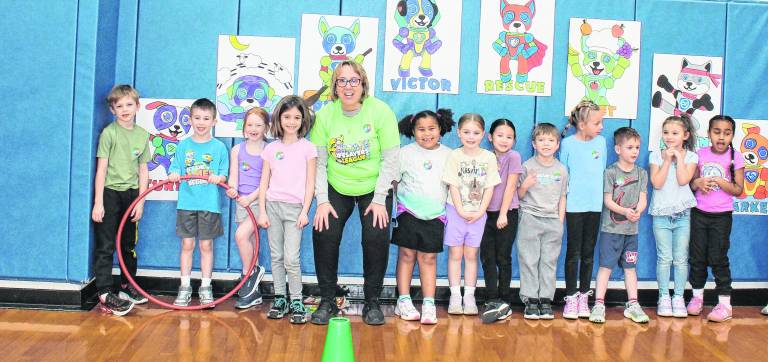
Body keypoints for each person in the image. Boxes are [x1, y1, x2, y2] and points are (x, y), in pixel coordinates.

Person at [309, 61, 400, 326]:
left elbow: (391, 159)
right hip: (338, 186)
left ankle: (372, 301)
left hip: (374, 186)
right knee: (323, 231)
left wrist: (380, 198)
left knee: (376, 235)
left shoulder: (381, 112)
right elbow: (319, 163)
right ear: (334, 87)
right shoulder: (326, 116)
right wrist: (323, 201)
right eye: (342, 81)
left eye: (354, 81)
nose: (348, 87)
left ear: (363, 85)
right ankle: (328, 300)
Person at [257, 96, 317, 324]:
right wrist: (262, 210)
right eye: (287, 117)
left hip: (295, 210)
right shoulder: (271, 149)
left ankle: (297, 300)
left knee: (292, 258)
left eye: (297, 117)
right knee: (277, 256)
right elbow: (264, 182)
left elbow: (311, 183)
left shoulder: (308, 148)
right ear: (279, 119)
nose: (291, 122)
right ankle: (280, 297)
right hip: (272, 207)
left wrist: (304, 211)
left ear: (303, 121)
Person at [392, 108, 454, 325]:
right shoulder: (405, 153)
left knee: (428, 258)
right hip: (408, 212)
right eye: (421, 129)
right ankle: (404, 300)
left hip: (436, 215)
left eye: (431, 129)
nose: (426, 134)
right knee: (407, 255)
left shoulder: (449, 154)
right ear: (412, 130)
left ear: (440, 129)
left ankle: (428, 303)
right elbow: (394, 180)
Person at [91, 84, 150, 315]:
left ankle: (127, 285)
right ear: (112, 109)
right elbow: (101, 169)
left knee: (128, 245)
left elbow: (143, 170)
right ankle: (105, 292)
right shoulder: (109, 133)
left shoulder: (142, 135)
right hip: (109, 193)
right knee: (106, 245)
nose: (124, 109)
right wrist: (98, 202)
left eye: (129, 104)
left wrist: (140, 201)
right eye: (119, 106)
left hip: (131, 195)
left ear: (137, 106)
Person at [168, 98, 229, 307]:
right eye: (197, 118)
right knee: (187, 244)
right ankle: (184, 287)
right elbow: (175, 168)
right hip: (187, 204)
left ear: (214, 121)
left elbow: (223, 174)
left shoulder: (219, 147)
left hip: (209, 205)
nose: (201, 122)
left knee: (206, 245)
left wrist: (218, 178)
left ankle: (205, 286)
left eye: (206, 118)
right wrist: (174, 174)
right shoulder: (183, 146)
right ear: (190, 119)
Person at [589, 127, 649, 324]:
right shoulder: (610, 172)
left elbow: (643, 199)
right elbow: (608, 200)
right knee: (605, 266)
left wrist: (638, 211)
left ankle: (633, 304)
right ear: (617, 149)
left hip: (632, 231)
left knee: (630, 268)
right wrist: (624, 212)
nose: (634, 151)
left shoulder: (641, 173)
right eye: (629, 147)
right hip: (611, 230)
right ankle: (599, 304)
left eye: (637, 148)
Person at [443, 113, 501, 316]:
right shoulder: (454, 156)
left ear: (483, 134)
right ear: (459, 133)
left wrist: (481, 211)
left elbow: (490, 188)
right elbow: (453, 185)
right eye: (466, 132)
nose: (471, 136)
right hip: (455, 211)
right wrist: (460, 209)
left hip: (478, 215)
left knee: (471, 255)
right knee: (455, 254)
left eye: (476, 132)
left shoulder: (489, 157)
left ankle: (469, 296)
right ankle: (455, 296)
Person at [688, 115, 744, 322]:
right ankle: (697, 298)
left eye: (727, 133)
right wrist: (698, 183)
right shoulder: (699, 154)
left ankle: (724, 304)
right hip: (699, 214)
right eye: (717, 132)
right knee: (697, 257)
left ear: (732, 135)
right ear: (709, 133)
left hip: (722, 217)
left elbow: (738, 190)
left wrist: (721, 181)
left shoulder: (735, 157)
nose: (721, 137)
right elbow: (691, 184)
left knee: (719, 258)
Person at [559, 100, 606, 320]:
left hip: (594, 206)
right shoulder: (568, 144)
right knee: (573, 252)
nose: (601, 127)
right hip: (574, 206)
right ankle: (570, 296)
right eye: (597, 123)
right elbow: (563, 175)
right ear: (582, 124)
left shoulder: (602, 142)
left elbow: (601, 173)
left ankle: (584, 296)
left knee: (588, 254)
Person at [517, 123, 568, 320]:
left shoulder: (561, 170)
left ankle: (545, 299)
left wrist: (560, 221)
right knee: (529, 260)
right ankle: (530, 299)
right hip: (530, 217)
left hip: (552, 220)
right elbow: (519, 196)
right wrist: (526, 185)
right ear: (534, 144)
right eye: (541, 140)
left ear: (557, 145)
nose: (546, 144)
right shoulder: (527, 166)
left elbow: (563, 196)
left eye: (550, 140)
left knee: (549, 261)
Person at [649, 115, 698, 318]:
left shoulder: (692, 157)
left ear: (685, 136)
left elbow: (683, 180)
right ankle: (663, 297)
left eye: (675, 133)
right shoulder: (655, 155)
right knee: (664, 258)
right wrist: (667, 160)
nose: (669, 137)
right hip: (661, 214)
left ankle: (678, 296)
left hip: (682, 214)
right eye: (666, 132)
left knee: (680, 259)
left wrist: (679, 158)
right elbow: (657, 183)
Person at [225, 108, 268, 309]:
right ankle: (254, 293)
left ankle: (249, 272)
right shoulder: (237, 150)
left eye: (258, 125)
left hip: (259, 201)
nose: (254, 128)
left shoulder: (269, 151)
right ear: (244, 128)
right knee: (250, 241)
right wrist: (232, 189)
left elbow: (267, 182)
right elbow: (234, 176)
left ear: (266, 127)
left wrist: (251, 198)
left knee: (241, 236)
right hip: (241, 202)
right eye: (250, 124)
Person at [480, 118, 522, 323]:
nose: (504, 140)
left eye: (509, 137)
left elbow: (511, 186)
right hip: (484, 214)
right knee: (487, 257)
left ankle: (505, 299)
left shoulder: (514, 157)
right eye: (500, 135)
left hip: (507, 213)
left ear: (514, 140)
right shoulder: (485, 156)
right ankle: (491, 298)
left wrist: (503, 213)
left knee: (503, 257)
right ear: (490, 137)